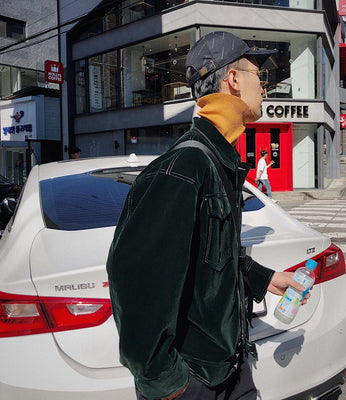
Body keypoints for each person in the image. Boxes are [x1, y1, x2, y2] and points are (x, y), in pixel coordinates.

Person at [106, 31, 310, 400]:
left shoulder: (219, 162)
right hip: (195, 383)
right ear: (233, 80)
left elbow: (210, 260)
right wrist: (169, 385)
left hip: (230, 368)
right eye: (257, 75)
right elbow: (134, 285)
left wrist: (265, 278)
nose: (263, 86)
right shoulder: (184, 167)